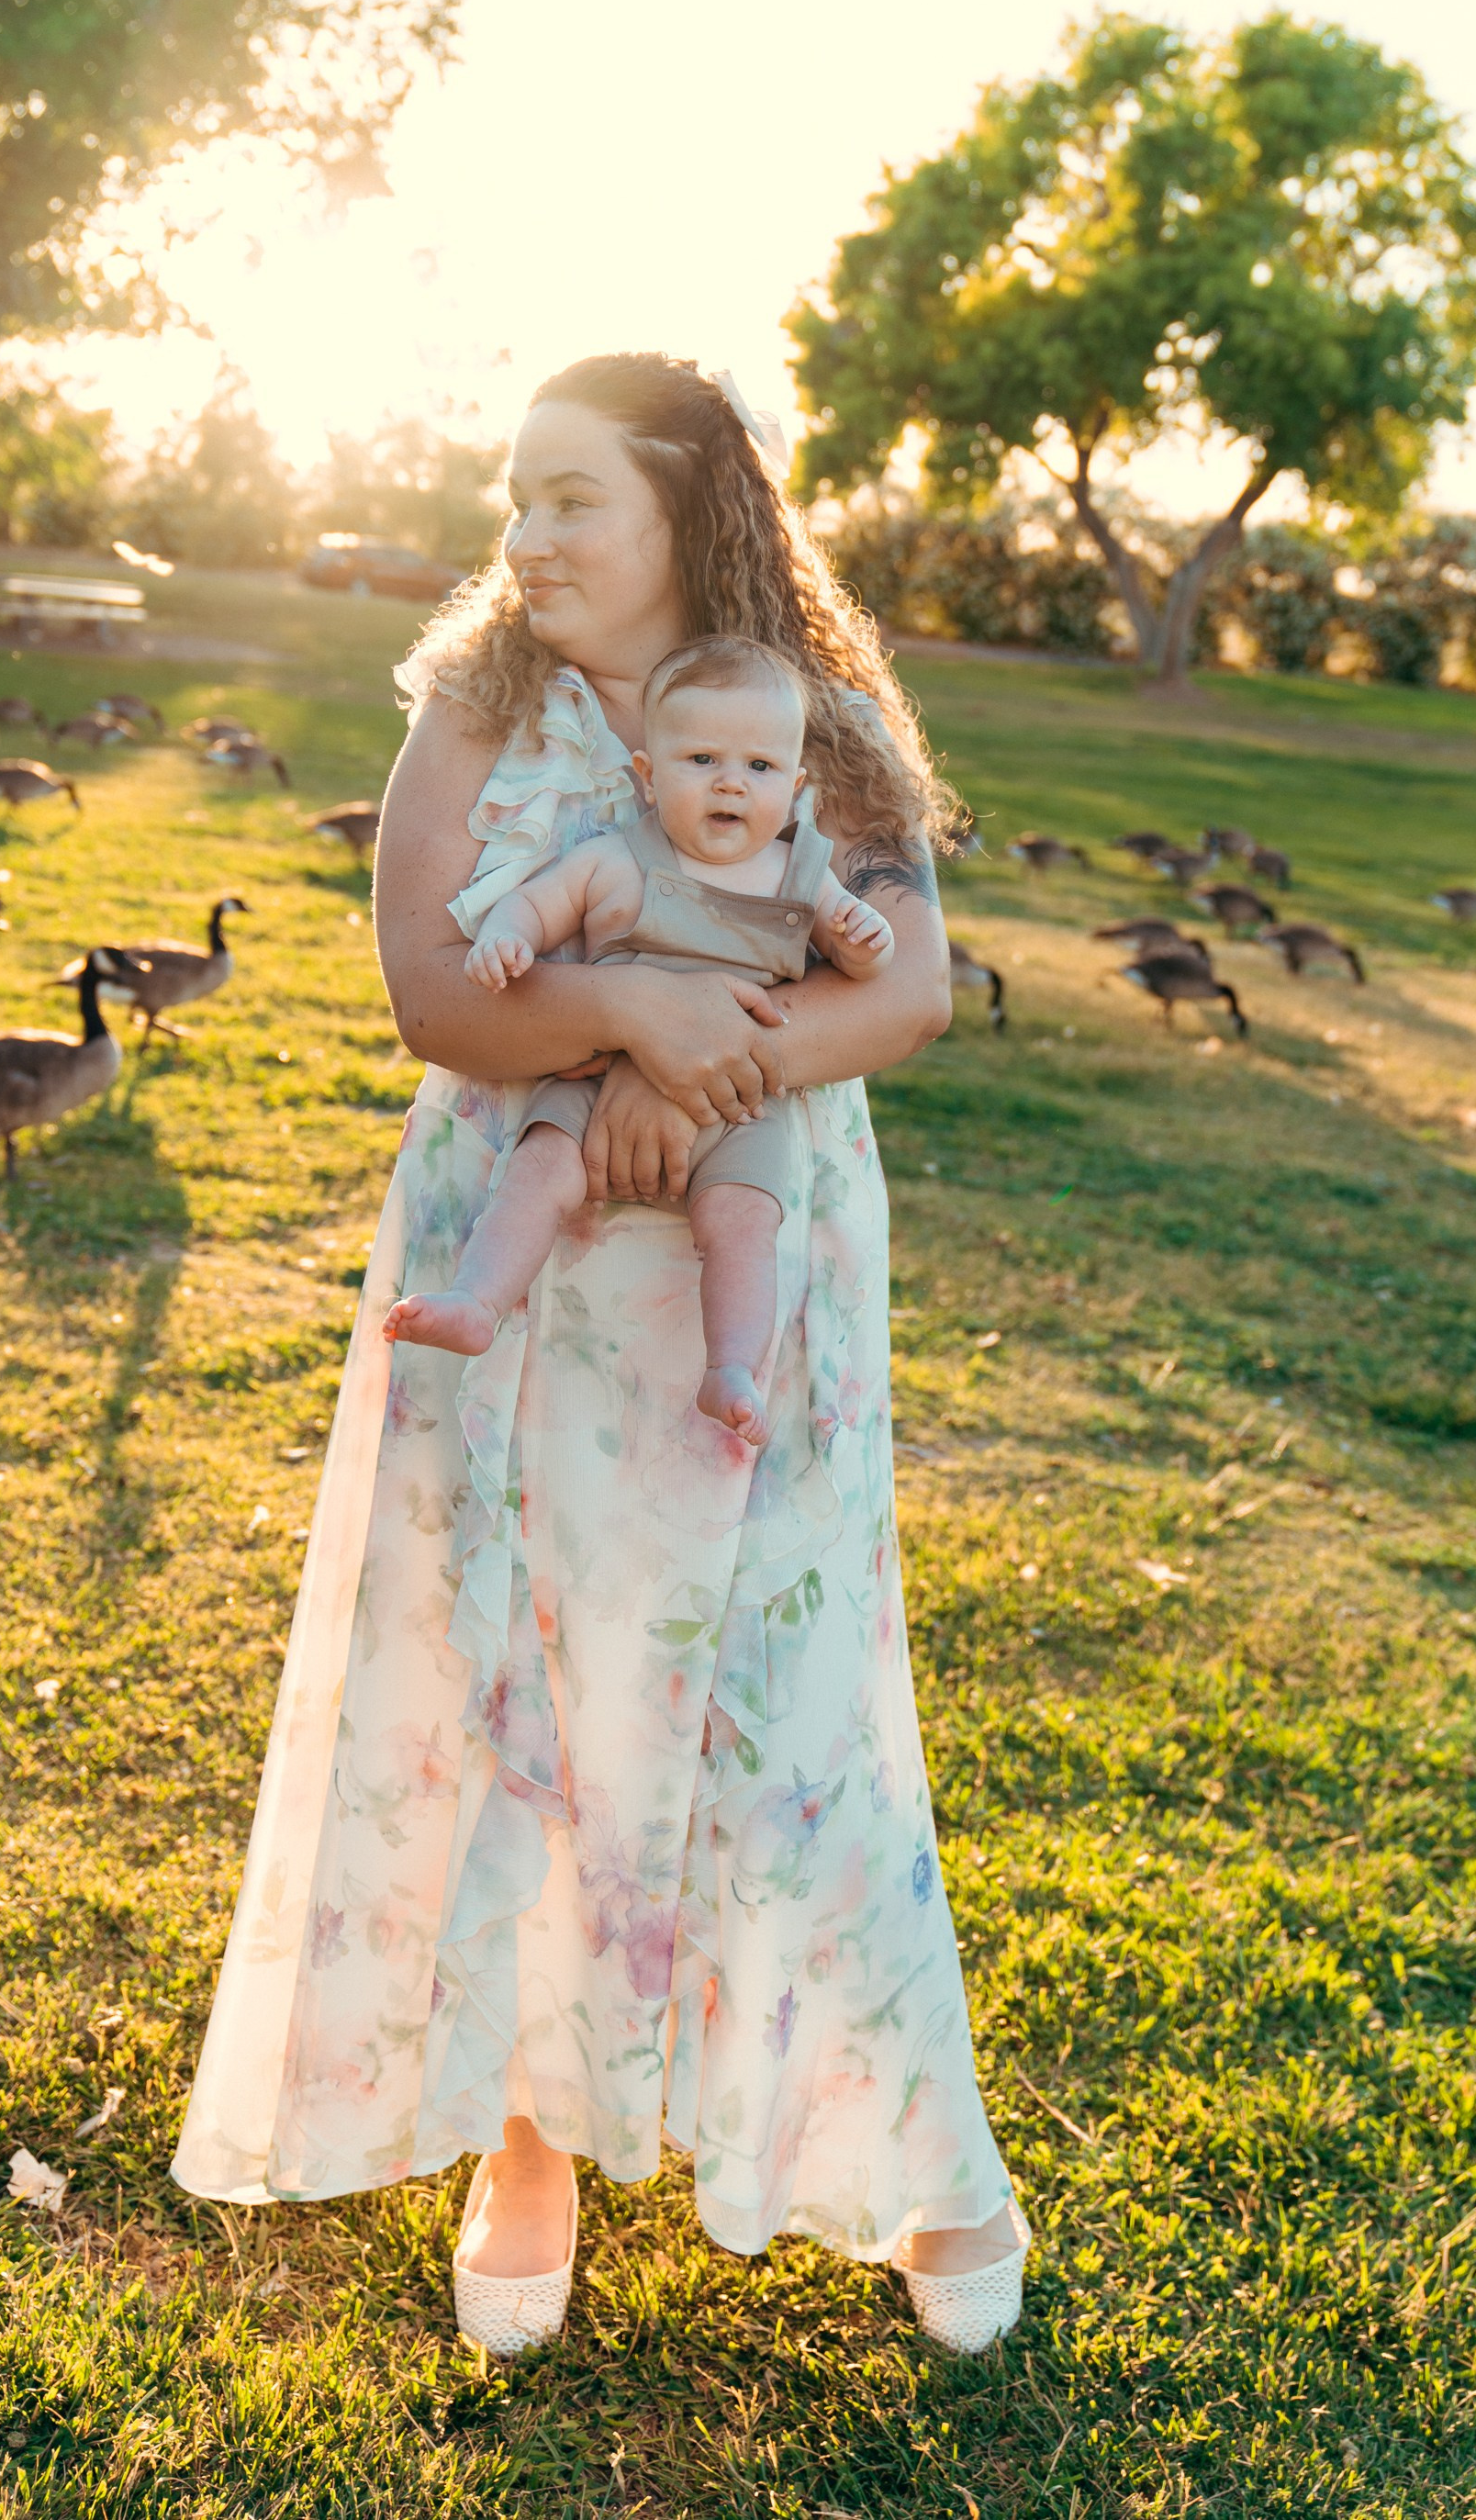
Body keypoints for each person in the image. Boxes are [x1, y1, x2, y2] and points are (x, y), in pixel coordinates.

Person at [171, 354, 1028, 2362]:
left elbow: (898, 988)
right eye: (512, 496)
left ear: (687, 504)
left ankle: (925, 2155)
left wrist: (704, 1072)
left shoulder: (815, 722)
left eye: (571, 499)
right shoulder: (473, 709)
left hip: (749, 1263)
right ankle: (529, 2137)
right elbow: (426, 997)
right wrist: (626, 1014)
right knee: (522, 1674)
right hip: (520, 1249)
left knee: (784, 1685)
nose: (527, 536)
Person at [380, 632, 896, 1450]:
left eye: (760, 769)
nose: (732, 781)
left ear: (794, 789)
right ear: (647, 777)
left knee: (744, 1222)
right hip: (598, 1080)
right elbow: (532, 907)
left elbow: (863, 948)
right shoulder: (612, 860)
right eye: (701, 760)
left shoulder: (801, 873)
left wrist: (866, 936)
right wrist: (507, 939)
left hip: (737, 1104)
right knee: (539, 1171)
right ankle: (478, 1300)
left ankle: (731, 1365)